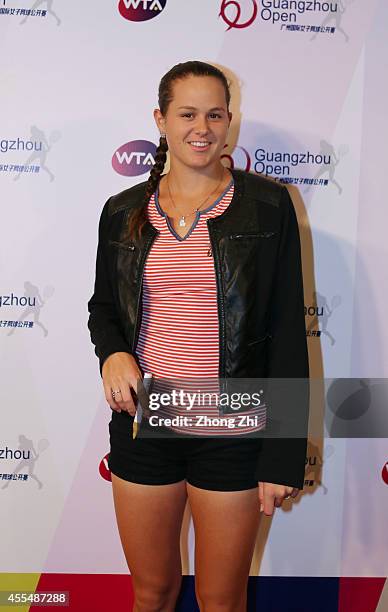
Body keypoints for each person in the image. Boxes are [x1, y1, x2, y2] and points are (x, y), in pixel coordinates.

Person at [87, 60, 309, 612]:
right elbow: (104, 307)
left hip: (233, 427)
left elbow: (287, 331)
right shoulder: (122, 212)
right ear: (160, 120)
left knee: (221, 600)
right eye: (187, 114)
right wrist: (113, 351)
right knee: (153, 593)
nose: (202, 128)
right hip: (147, 423)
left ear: (230, 120)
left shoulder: (267, 206)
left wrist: (282, 456)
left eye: (214, 114)